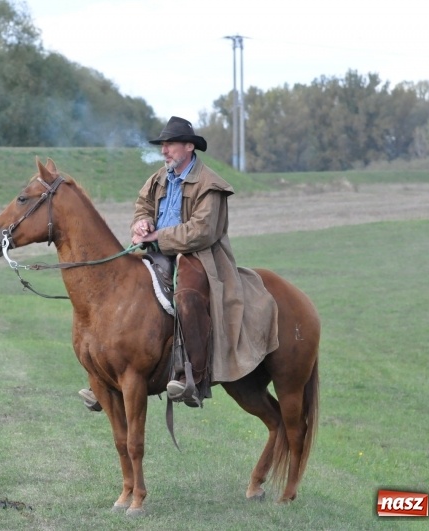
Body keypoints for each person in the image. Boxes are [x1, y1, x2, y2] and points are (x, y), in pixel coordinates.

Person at [79, 116, 279, 411]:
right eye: (163, 145)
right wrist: (143, 223)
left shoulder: (210, 184)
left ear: (188, 146)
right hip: (157, 250)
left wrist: (160, 235)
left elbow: (202, 231)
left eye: (170, 144)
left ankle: (193, 378)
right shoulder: (159, 178)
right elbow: (142, 205)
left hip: (199, 255)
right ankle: (104, 379)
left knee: (187, 297)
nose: (164, 151)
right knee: (117, 291)